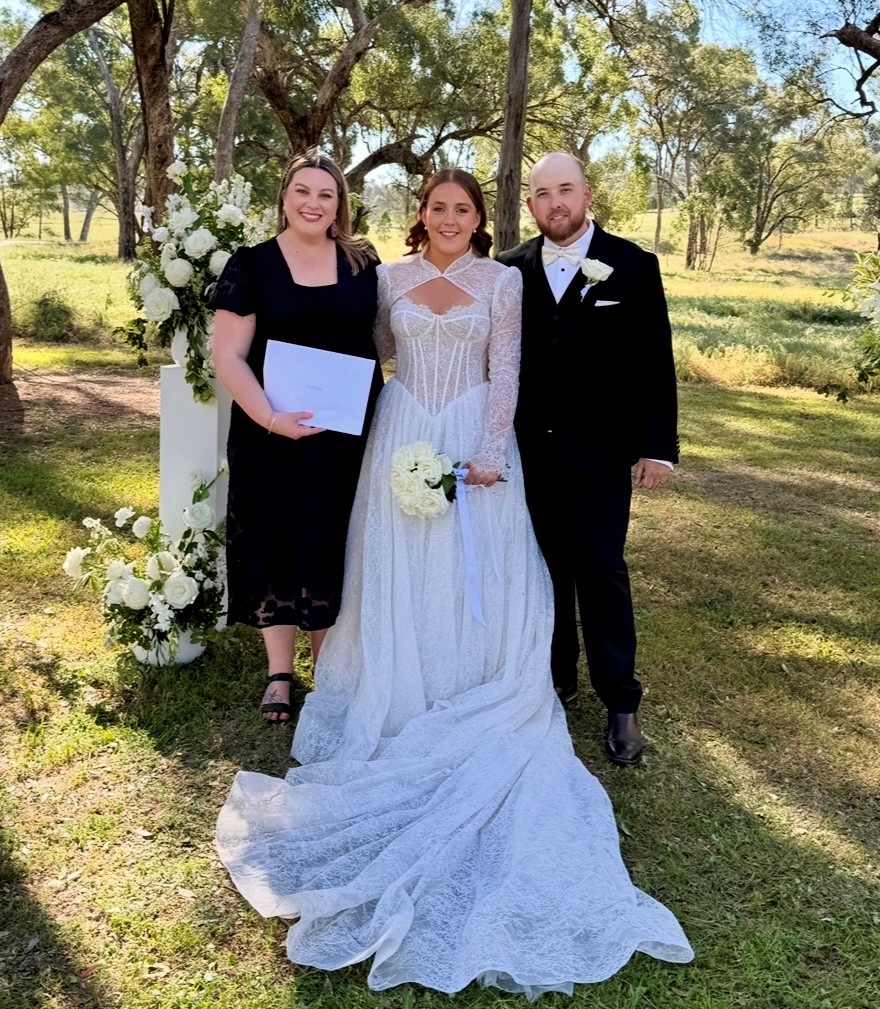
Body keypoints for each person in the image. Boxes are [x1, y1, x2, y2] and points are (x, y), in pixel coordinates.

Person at [216, 168, 693, 996]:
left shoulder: (501, 280)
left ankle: (552, 688)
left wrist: (487, 447)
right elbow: (368, 354)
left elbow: (506, 369)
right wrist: (298, 399)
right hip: (402, 426)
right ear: (421, 215)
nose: (447, 217)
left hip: (476, 437)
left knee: (528, 569)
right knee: (396, 566)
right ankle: (398, 684)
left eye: (462, 208)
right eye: (436, 207)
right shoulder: (386, 279)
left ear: (479, 218)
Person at [497, 152, 679, 767]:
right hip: (530, 452)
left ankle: (621, 701)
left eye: (566, 190)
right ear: (530, 204)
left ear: (587, 194)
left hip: (601, 454)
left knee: (600, 568)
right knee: (544, 570)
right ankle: (556, 680)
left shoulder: (632, 265)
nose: (556, 203)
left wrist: (657, 448)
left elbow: (653, 361)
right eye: (543, 193)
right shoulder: (509, 269)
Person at [210, 151, 383, 723]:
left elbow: (384, 337)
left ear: (340, 205)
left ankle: (327, 671)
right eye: (303, 192)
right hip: (271, 434)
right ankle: (280, 674)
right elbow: (228, 356)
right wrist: (269, 418)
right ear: (284, 198)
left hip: (344, 437)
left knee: (332, 540)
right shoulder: (252, 264)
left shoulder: (362, 261)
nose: (314, 203)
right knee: (276, 541)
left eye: (326, 194)